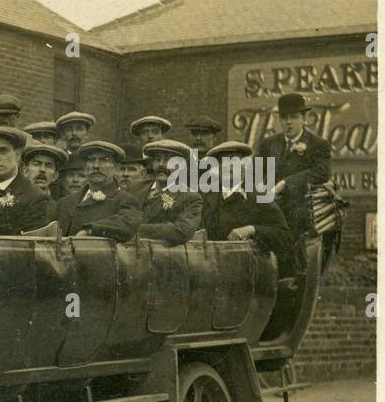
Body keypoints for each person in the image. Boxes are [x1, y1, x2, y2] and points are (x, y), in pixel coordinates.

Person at [201, 141, 295, 275]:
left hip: (246, 271)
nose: (228, 166)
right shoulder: (206, 197)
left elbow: (284, 237)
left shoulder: (257, 196)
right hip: (210, 269)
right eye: (222, 162)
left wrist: (252, 229)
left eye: (233, 161)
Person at [256, 92, 332, 239]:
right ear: (279, 119)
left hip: (301, 218)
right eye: (284, 117)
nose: (288, 122)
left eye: (294, 117)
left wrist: (285, 183)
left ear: (304, 118)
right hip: (271, 214)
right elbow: (254, 172)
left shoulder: (318, 145)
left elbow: (323, 172)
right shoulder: (269, 143)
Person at [54, 141, 144, 241]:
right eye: (91, 160)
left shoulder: (125, 200)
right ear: (85, 166)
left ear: (116, 167)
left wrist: (90, 230)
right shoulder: (64, 202)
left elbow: (127, 223)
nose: (96, 166)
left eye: (104, 160)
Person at [138, 139, 202, 245]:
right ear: (152, 164)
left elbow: (181, 231)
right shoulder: (135, 187)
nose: (161, 164)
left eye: (168, 160)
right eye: (157, 159)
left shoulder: (190, 198)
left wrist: (137, 229)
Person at [21, 141, 68, 216]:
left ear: (55, 176)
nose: (42, 169)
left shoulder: (59, 210)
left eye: (48, 166)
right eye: (36, 164)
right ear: (25, 171)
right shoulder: (13, 202)